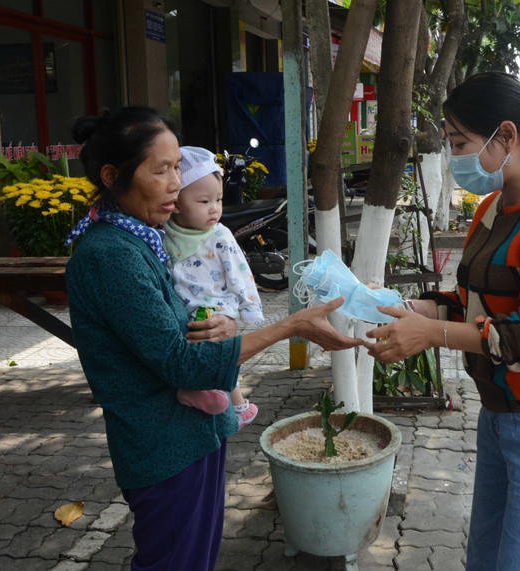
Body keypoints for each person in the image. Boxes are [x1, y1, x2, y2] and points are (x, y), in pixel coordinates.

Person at [64, 106, 360, 570]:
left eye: (177, 167)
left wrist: (222, 326)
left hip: (189, 437)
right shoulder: (111, 255)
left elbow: (171, 328)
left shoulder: (142, 236)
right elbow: (181, 364)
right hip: (163, 449)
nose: (175, 184)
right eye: (160, 170)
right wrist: (290, 326)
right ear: (111, 175)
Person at [364, 72, 520, 570]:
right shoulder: (494, 207)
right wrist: (405, 309)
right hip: (499, 416)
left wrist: (431, 334)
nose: (455, 157)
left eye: (460, 143)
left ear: (507, 136)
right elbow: (472, 300)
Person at [163, 146, 261, 427]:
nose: (215, 208)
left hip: (216, 305)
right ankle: (197, 390)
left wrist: (248, 307)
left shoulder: (220, 234)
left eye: (218, 199)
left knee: (223, 351)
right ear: (177, 203)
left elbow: (240, 272)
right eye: (204, 201)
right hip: (182, 309)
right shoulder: (164, 231)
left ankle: (236, 402)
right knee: (191, 349)